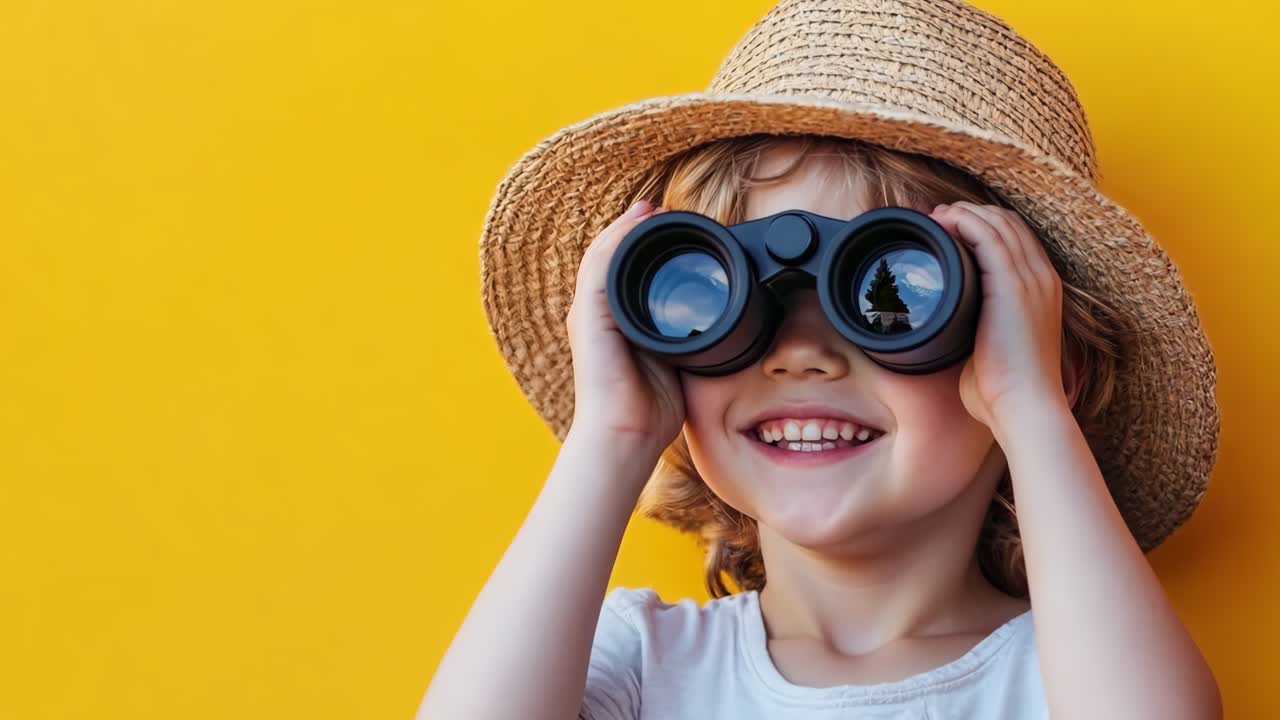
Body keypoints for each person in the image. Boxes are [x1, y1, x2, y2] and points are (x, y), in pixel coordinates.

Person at [418, 0, 1223, 718]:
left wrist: (1032, 410)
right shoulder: (640, 661)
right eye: (718, 299)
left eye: (893, 296)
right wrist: (612, 434)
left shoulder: (1069, 673)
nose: (801, 353)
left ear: (1043, 364)